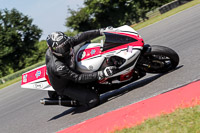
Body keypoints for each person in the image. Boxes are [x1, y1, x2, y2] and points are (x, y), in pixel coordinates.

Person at [45, 29, 116, 109]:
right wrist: (101, 74)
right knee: (93, 100)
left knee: (85, 41)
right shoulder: (58, 66)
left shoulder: (65, 43)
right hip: (67, 84)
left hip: (69, 65)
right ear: (53, 50)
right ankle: (78, 99)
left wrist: (100, 32)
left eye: (67, 45)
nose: (66, 48)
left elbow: (80, 37)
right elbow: (78, 78)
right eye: (62, 48)